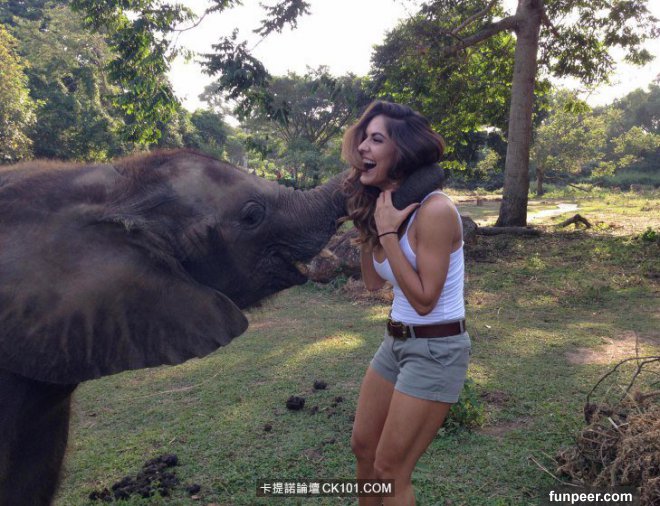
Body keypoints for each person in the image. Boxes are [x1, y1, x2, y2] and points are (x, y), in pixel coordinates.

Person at [342, 101, 470, 505]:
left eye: (376, 139)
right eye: (364, 138)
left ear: (402, 151)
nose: (363, 147)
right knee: (363, 448)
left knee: (391, 470)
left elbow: (426, 299)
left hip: (437, 348)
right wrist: (369, 228)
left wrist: (388, 234)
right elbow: (372, 285)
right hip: (394, 343)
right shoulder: (385, 209)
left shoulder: (435, 210)